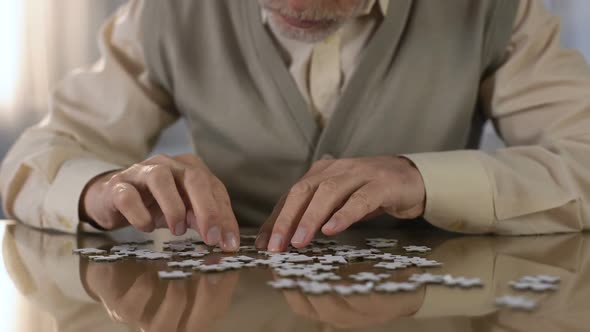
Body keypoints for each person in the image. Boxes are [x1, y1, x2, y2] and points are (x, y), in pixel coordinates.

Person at [2, 0, 590, 253]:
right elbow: (34, 161)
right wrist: (100, 188)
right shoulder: (165, 13)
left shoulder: (495, 11)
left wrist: (422, 179)